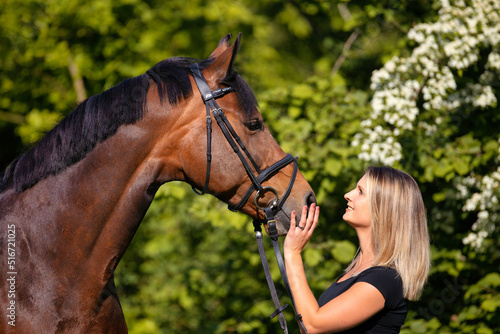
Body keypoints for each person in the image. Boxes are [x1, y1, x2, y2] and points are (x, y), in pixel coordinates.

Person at [284, 166, 431, 333]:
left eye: (360, 191)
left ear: (383, 208)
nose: (348, 194)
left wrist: (292, 253)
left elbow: (311, 325)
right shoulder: (356, 272)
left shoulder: (385, 279)